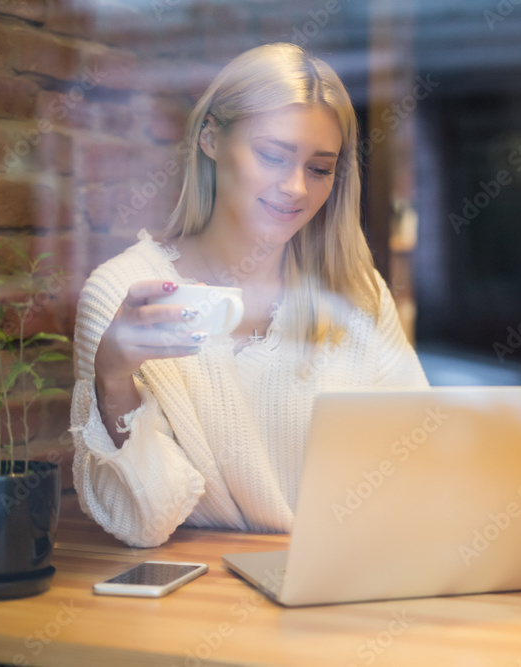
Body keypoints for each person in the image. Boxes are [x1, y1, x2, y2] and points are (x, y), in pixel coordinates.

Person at [70, 43, 429, 548]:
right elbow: (147, 520)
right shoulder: (125, 293)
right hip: (199, 601)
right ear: (210, 138)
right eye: (272, 156)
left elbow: (420, 470)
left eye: (320, 168)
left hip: (336, 588)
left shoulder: (354, 289)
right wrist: (112, 381)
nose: (296, 189)